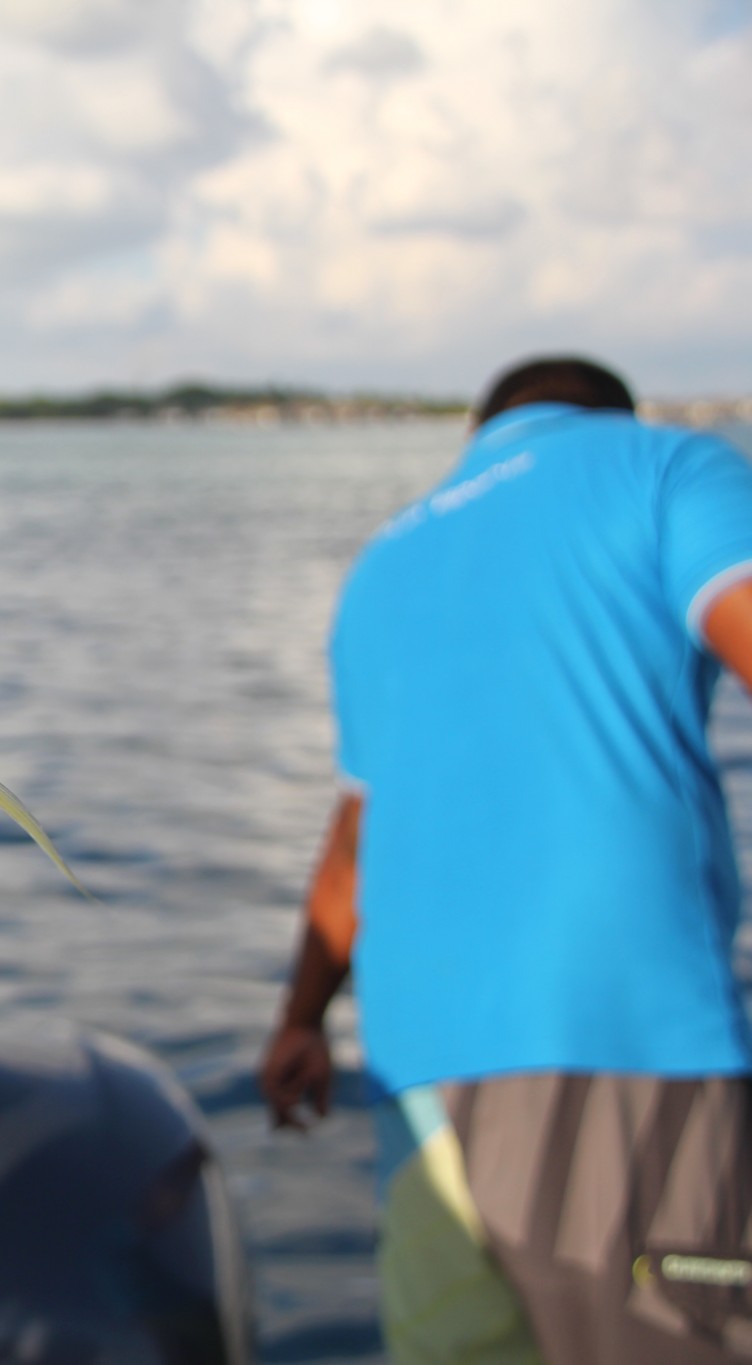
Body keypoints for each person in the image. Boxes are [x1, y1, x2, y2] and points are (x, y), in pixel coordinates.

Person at [259, 357, 752, 1363]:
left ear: (479, 435)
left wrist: (298, 1021)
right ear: (611, 417)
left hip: (415, 1085)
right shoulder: (665, 468)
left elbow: (356, 834)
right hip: (617, 1042)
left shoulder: (382, 559)